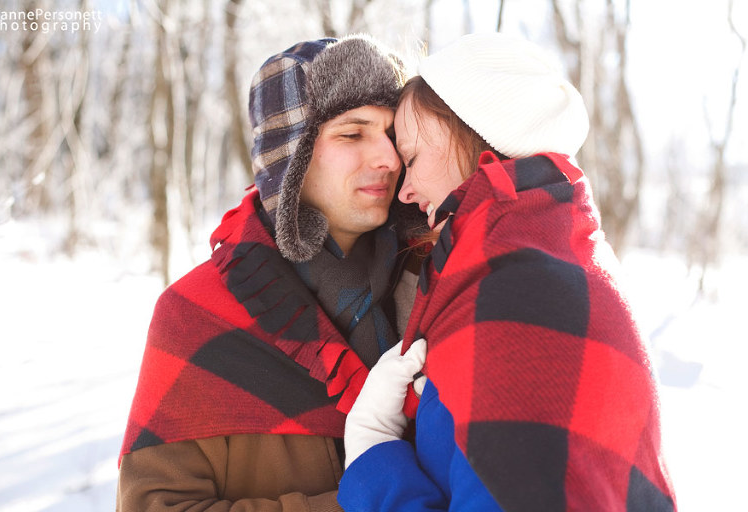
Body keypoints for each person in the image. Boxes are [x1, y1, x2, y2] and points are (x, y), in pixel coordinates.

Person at [338, 33, 677, 511]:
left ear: (481, 143)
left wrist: (375, 463)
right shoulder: (552, 256)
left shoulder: (518, 299)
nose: (405, 191)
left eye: (411, 158)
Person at [117, 35, 419, 511]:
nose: (388, 157)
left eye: (393, 134)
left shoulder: (433, 287)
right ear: (289, 159)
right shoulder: (193, 314)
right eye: (352, 133)